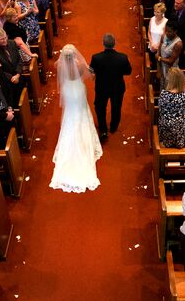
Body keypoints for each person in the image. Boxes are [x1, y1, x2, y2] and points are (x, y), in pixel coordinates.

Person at [50, 45, 103, 193]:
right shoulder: (79, 65)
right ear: (74, 55)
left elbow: (56, 66)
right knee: (81, 111)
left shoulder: (60, 66)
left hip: (68, 90)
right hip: (78, 89)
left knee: (70, 112)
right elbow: (88, 73)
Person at [90, 34, 132, 140]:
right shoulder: (123, 57)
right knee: (116, 108)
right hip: (117, 88)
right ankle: (113, 127)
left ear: (103, 44)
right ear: (115, 43)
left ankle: (103, 130)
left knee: (100, 108)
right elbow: (128, 71)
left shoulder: (96, 58)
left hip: (101, 88)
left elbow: (91, 70)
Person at [158, 68, 185, 149]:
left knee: (166, 145)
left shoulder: (165, 94)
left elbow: (160, 108)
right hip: (180, 122)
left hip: (167, 122)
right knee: (179, 144)